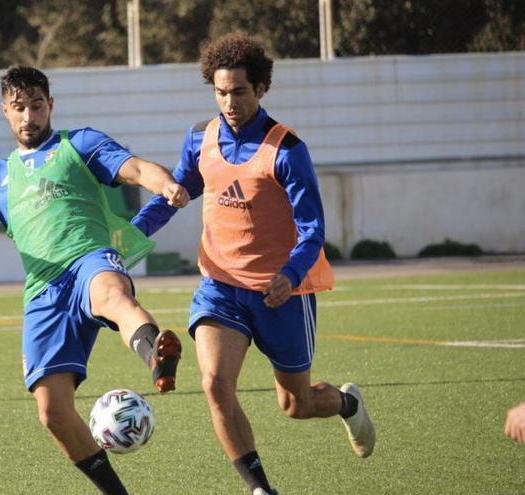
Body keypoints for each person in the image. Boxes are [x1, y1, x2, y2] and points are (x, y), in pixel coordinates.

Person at [0, 65, 188, 494]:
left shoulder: (79, 144)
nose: (29, 117)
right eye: (19, 108)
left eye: (37, 106)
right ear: (5, 111)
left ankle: (156, 353)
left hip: (89, 258)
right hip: (43, 290)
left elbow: (134, 168)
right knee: (53, 412)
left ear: (51, 106)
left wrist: (166, 184)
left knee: (112, 295)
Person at [132, 33, 375, 495]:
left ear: (261, 88)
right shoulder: (199, 139)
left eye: (238, 92)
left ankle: (346, 404)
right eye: (220, 92)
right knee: (214, 383)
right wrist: (125, 241)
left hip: (280, 293)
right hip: (220, 287)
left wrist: (288, 276)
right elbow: (172, 197)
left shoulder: (287, 150)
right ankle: (260, 488)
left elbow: (313, 231)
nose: (228, 102)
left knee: (296, 405)